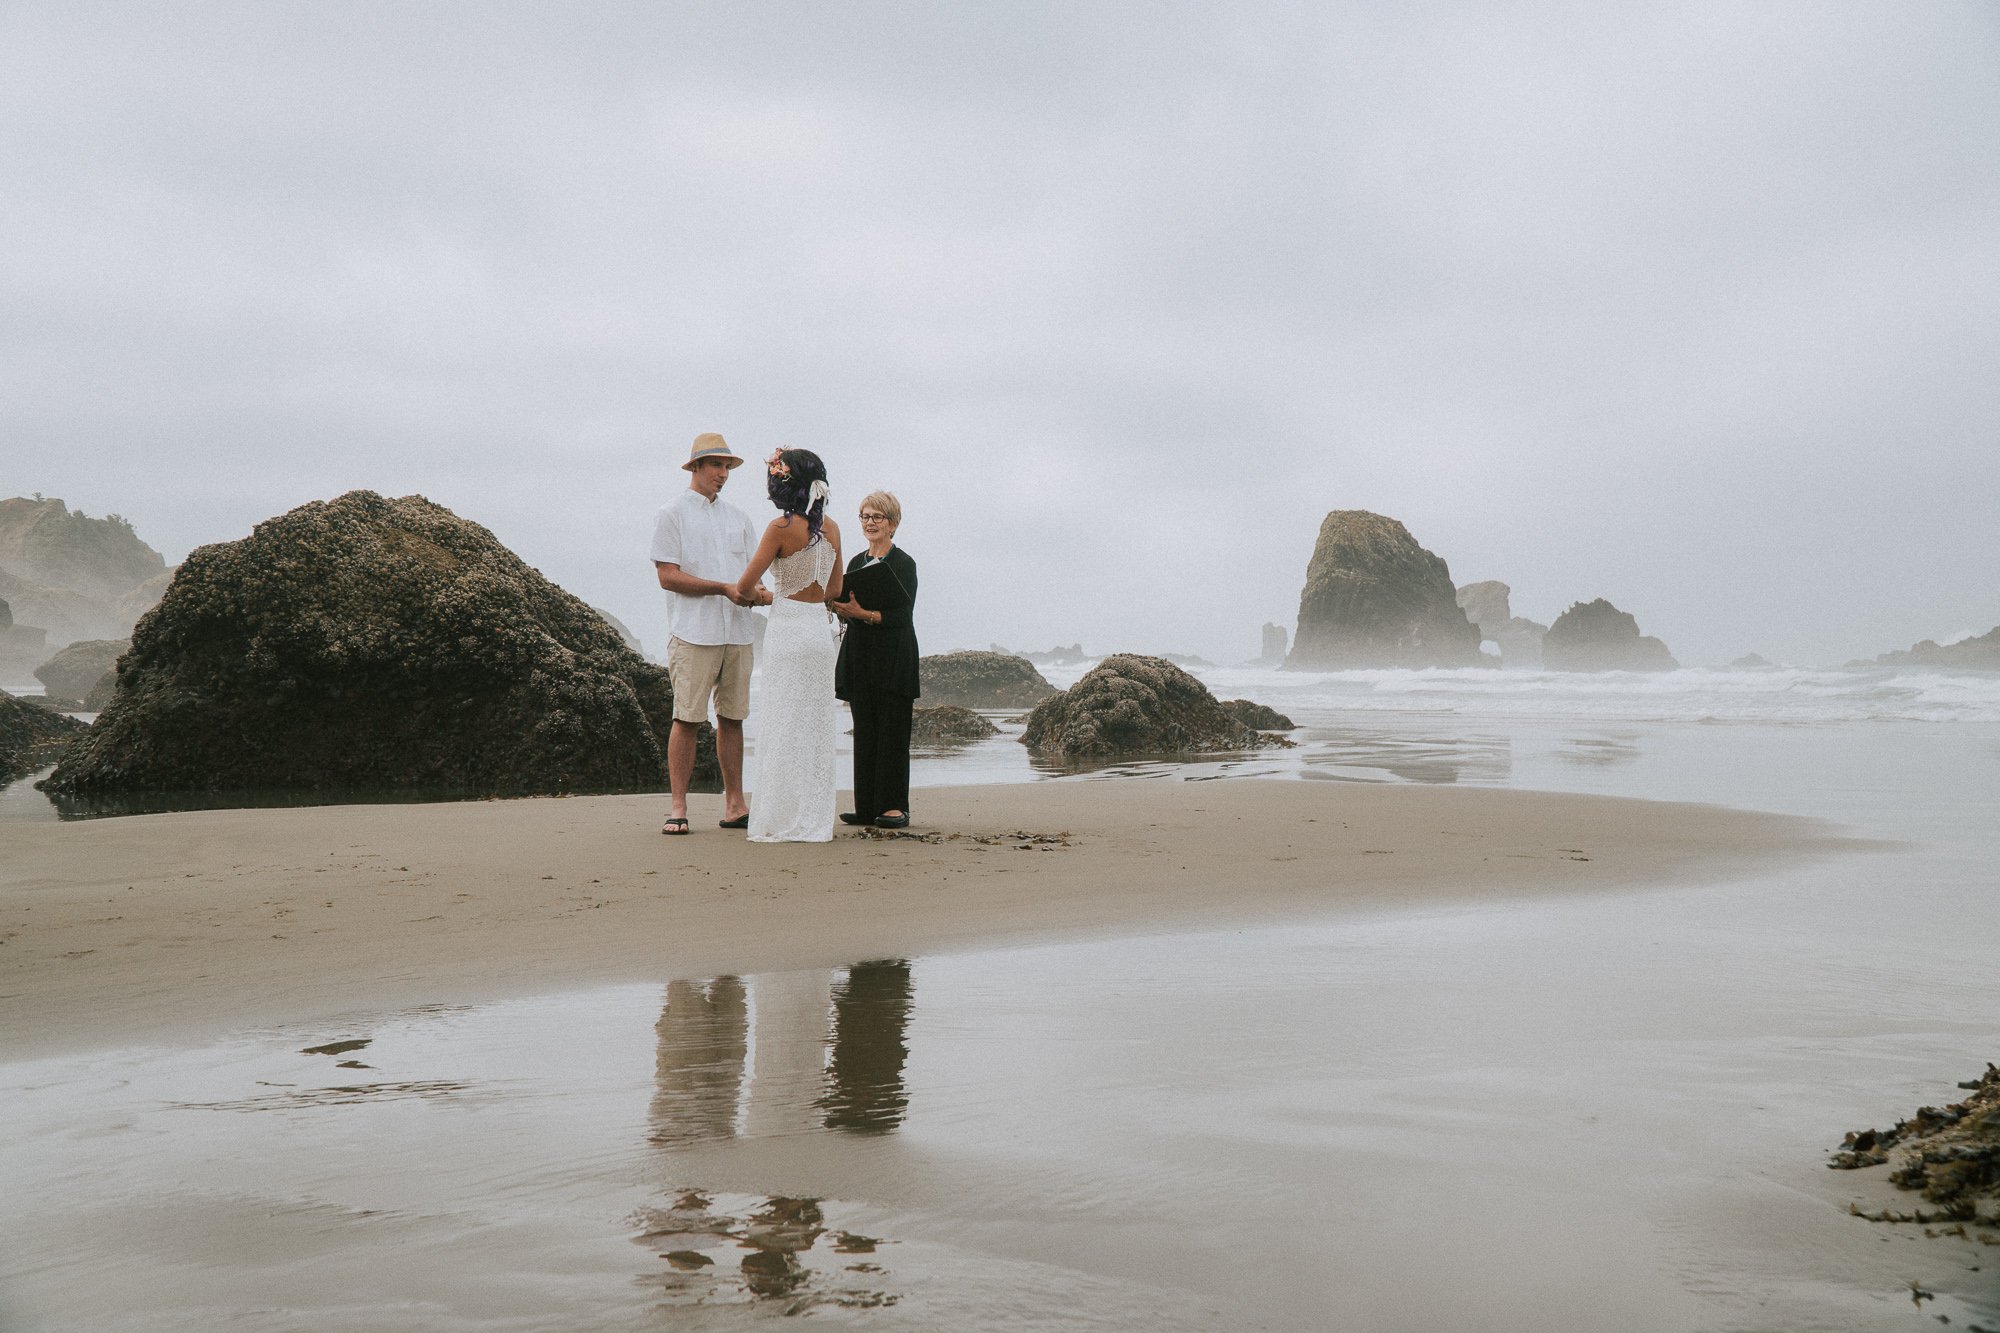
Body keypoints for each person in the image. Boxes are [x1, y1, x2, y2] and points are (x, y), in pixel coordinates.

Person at [650, 433, 770, 835]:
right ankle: (678, 806)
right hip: (692, 633)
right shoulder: (672, 513)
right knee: (686, 718)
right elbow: (667, 576)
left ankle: (735, 804)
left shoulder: (740, 518)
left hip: (738, 632)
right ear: (696, 467)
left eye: (727, 467)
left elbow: (752, 579)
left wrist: (760, 596)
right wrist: (722, 588)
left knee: (732, 718)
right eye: (716, 465)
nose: (723, 474)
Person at [733, 449, 843, 843]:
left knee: (782, 722)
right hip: (817, 634)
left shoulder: (780, 528)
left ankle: (778, 817)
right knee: (813, 726)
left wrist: (763, 595)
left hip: (787, 629)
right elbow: (835, 589)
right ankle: (813, 818)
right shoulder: (831, 528)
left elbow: (745, 586)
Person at [831, 492, 919, 828]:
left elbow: (902, 615)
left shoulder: (904, 563)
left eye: (877, 517)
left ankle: (894, 807)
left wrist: (863, 613)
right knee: (864, 732)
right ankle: (866, 806)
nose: (869, 522)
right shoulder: (854, 563)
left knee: (893, 733)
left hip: (894, 657)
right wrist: (841, 610)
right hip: (861, 656)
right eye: (865, 516)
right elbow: (847, 606)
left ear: (893, 524)